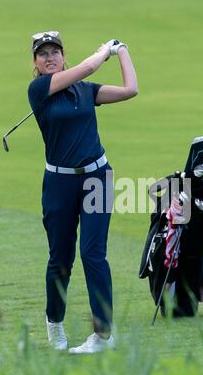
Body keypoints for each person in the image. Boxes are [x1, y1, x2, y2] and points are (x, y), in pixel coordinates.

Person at [28, 32, 138, 353]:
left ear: (64, 56)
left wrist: (121, 51)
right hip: (59, 184)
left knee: (93, 255)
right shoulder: (38, 91)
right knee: (60, 260)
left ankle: (103, 336)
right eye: (42, 54)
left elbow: (131, 90)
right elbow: (88, 67)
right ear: (35, 62)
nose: (49, 58)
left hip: (97, 178)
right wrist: (103, 50)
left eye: (55, 52)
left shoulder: (86, 92)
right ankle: (55, 325)